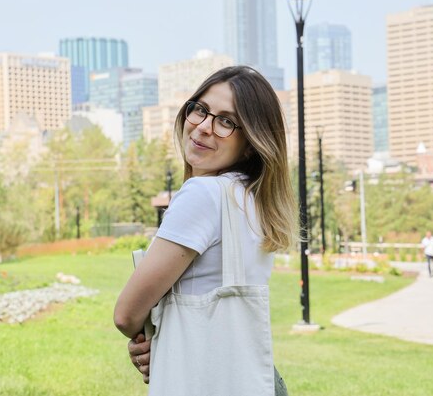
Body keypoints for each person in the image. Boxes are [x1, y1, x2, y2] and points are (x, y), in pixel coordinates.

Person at [113, 66, 296, 396]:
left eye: (226, 121)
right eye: (200, 109)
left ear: (251, 143)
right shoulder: (253, 199)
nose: (203, 127)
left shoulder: (204, 194)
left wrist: (155, 338)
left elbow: (126, 313)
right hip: (259, 381)